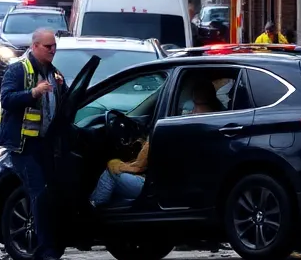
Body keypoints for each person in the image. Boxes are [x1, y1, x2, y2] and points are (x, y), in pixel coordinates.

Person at [0, 28, 67, 260]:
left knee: (51, 195)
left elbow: (64, 106)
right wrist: (32, 93)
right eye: (48, 46)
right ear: (35, 46)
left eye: (54, 46)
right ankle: (44, 252)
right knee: (39, 194)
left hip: (46, 145)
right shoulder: (20, 69)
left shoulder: (55, 74)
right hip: (23, 146)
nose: (53, 50)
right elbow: (6, 99)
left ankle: (53, 246)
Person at [90, 81, 219, 209]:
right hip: (177, 186)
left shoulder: (191, 125)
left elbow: (139, 167)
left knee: (111, 170)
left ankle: (94, 208)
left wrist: (122, 163)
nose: (191, 110)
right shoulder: (209, 122)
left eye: (195, 104)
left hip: (158, 187)